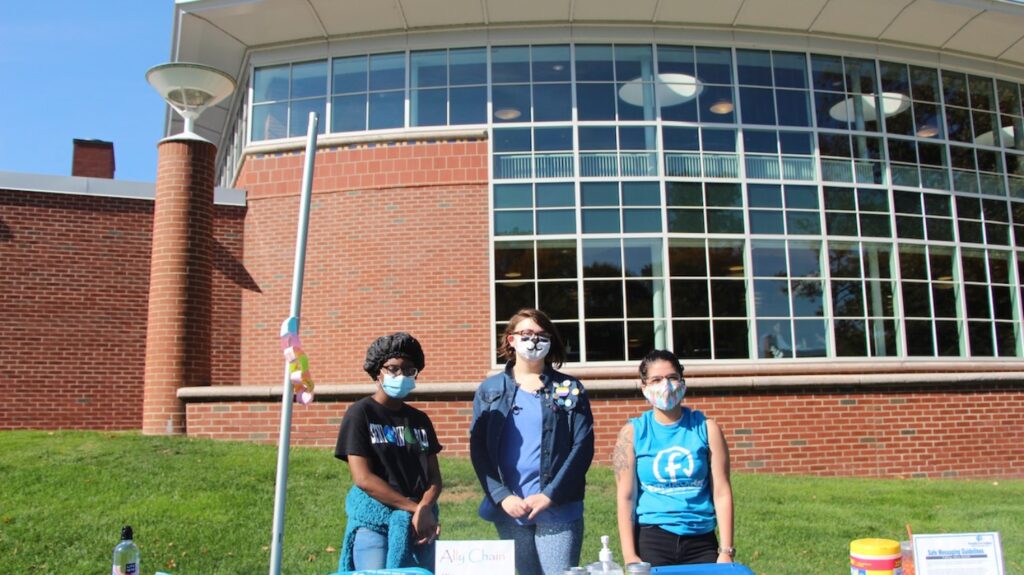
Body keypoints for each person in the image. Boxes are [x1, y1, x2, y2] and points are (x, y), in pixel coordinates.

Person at [470, 308, 595, 575]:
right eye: (526, 333)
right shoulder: (489, 390)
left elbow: (582, 446)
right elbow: (478, 449)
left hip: (558, 505)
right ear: (511, 340)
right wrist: (502, 496)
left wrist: (551, 494)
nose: (534, 340)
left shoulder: (570, 388)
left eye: (541, 334)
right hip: (511, 507)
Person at [613, 349, 735, 567]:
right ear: (644, 387)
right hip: (652, 538)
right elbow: (625, 498)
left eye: (672, 378)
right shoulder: (632, 433)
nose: (665, 385)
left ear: (683, 382)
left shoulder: (707, 429)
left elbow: (722, 491)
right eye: (656, 380)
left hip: (701, 540)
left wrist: (726, 551)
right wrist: (630, 556)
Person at [335, 333, 443, 572]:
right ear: (377, 371)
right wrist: (416, 510)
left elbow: (434, 478)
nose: (401, 375)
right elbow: (363, 479)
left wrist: (425, 508)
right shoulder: (360, 414)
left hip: (419, 527)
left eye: (409, 370)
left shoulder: (419, 419)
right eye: (393, 368)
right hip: (375, 526)